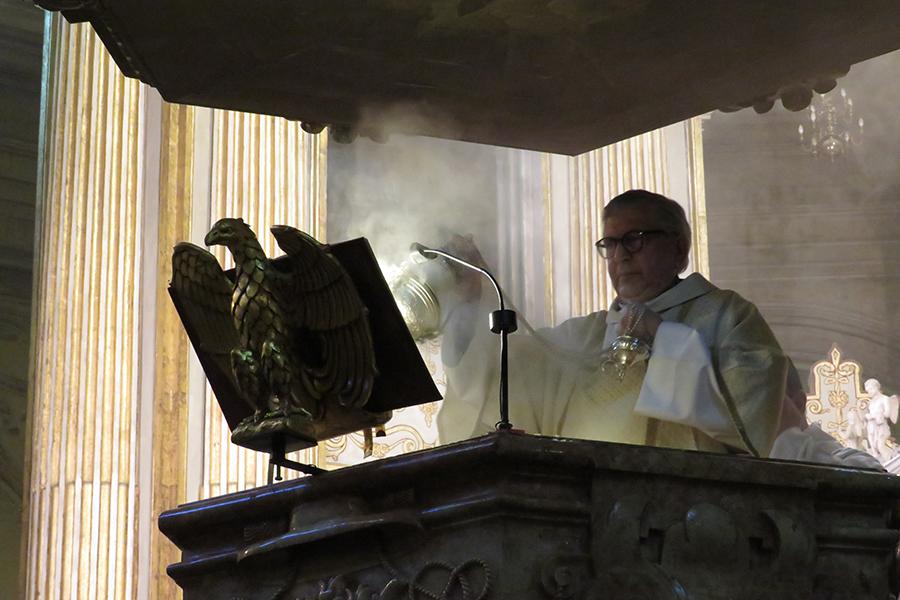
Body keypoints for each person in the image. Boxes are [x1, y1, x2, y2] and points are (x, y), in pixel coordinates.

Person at [436, 189, 879, 467]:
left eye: (636, 239)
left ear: (680, 250)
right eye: (609, 244)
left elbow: (758, 416)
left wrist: (664, 342)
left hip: (695, 520)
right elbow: (497, 378)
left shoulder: (725, 315)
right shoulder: (586, 334)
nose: (620, 255)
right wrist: (471, 297)